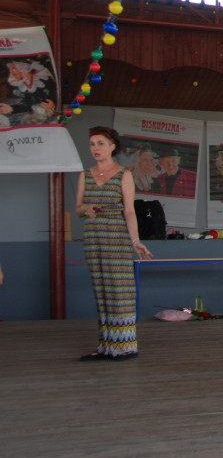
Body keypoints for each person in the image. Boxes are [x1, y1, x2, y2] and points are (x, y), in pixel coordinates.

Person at [77, 126, 154, 361]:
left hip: (116, 236)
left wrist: (135, 241)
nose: (95, 148)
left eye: (100, 143)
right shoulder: (85, 175)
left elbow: (130, 211)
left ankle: (125, 345)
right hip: (93, 237)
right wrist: (86, 208)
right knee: (102, 291)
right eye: (92, 144)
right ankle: (107, 345)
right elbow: (78, 209)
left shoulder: (124, 174)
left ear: (112, 146)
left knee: (120, 290)